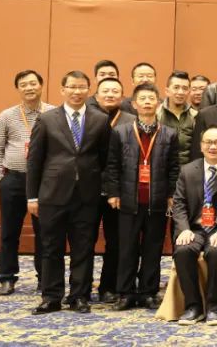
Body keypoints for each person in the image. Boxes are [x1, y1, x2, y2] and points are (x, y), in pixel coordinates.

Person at [27, 71, 110, 315]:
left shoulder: (100, 119)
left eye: (81, 87)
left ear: (89, 90)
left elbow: (105, 158)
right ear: (62, 89)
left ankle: (79, 296)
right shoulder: (47, 119)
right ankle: (51, 297)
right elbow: (35, 160)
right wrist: (32, 196)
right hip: (52, 195)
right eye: (72, 87)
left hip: (86, 195)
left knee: (83, 247)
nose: (77, 91)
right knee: (50, 247)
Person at [103, 83, 180, 311]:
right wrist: (113, 192)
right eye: (142, 99)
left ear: (158, 103)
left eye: (151, 98)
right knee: (127, 248)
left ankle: (148, 291)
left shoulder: (169, 134)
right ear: (134, 104)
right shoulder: (120, 132)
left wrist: (171, 194)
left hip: (157, 201)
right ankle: (125, 292)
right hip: (128, 201)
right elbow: (112, 165)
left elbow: (174, 168)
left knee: (152, 248)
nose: (147, 102)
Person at [171, 127, 217, 326]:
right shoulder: (188, 170)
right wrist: (184, 229)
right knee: (183, 250)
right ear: (201, 145)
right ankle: (193, 307)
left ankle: (213, 307)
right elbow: (179, 204)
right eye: (208, 142)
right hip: (194, 228)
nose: (213, 146)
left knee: (216, 251)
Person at [0, 70, 53, 296]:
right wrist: (0, 178)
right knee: (9, 231)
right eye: (23, 84)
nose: (29, 88)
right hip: (14, 179)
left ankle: (44, 278)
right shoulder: (7, 116)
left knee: (45, 232)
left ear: (41, 85)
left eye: (33, 83)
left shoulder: (54, 113)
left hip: (44, 182)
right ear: (18, 89)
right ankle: (7, 277)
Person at [91, 75, 133, 303]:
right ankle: (80, 287)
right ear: (97, 96)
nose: (110, 95)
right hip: (89, 189)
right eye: (105, 91)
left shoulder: (130, 120)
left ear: (122, 96)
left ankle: (109, 286)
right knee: (84, 241)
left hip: (118, 191)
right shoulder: (87, 117)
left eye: (115, 91)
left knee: (115, 241)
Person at [157, 71, 197, 166]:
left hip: (188, 169)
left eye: (185, 88)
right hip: (163, 168)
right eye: (176, 87)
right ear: (167, 91)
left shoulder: (195, 115)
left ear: (189, 92)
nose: (180, 92)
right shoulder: (157, 114)